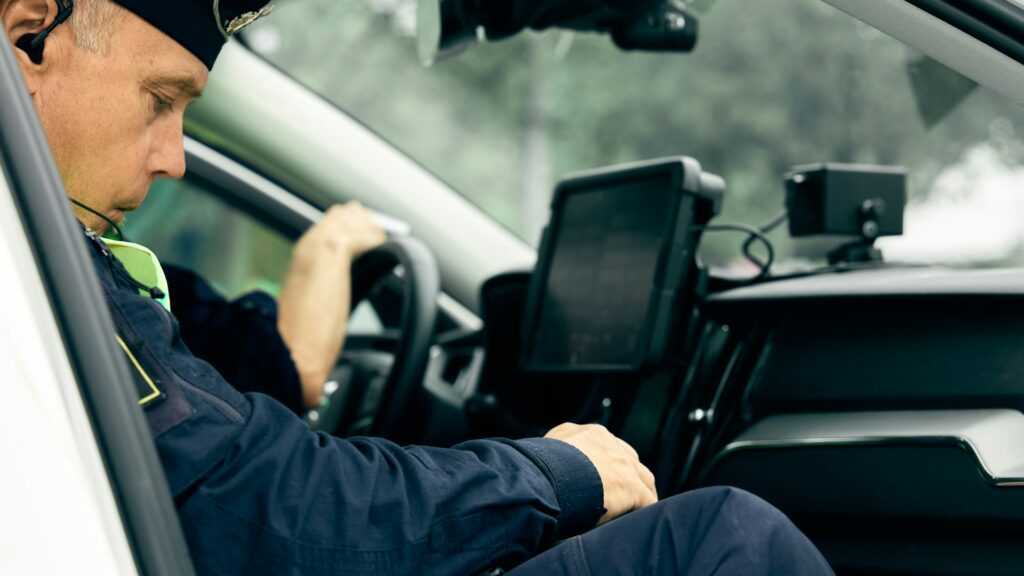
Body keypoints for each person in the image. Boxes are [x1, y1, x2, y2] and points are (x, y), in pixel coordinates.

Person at [2, 0, 835, 574]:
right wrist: (550, 475)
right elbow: (266, 508)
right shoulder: (23, 273)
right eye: (161, 100)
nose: (175, 155)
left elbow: (225, 438)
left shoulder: (52, 259)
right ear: (28, 35)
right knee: (726, 543)